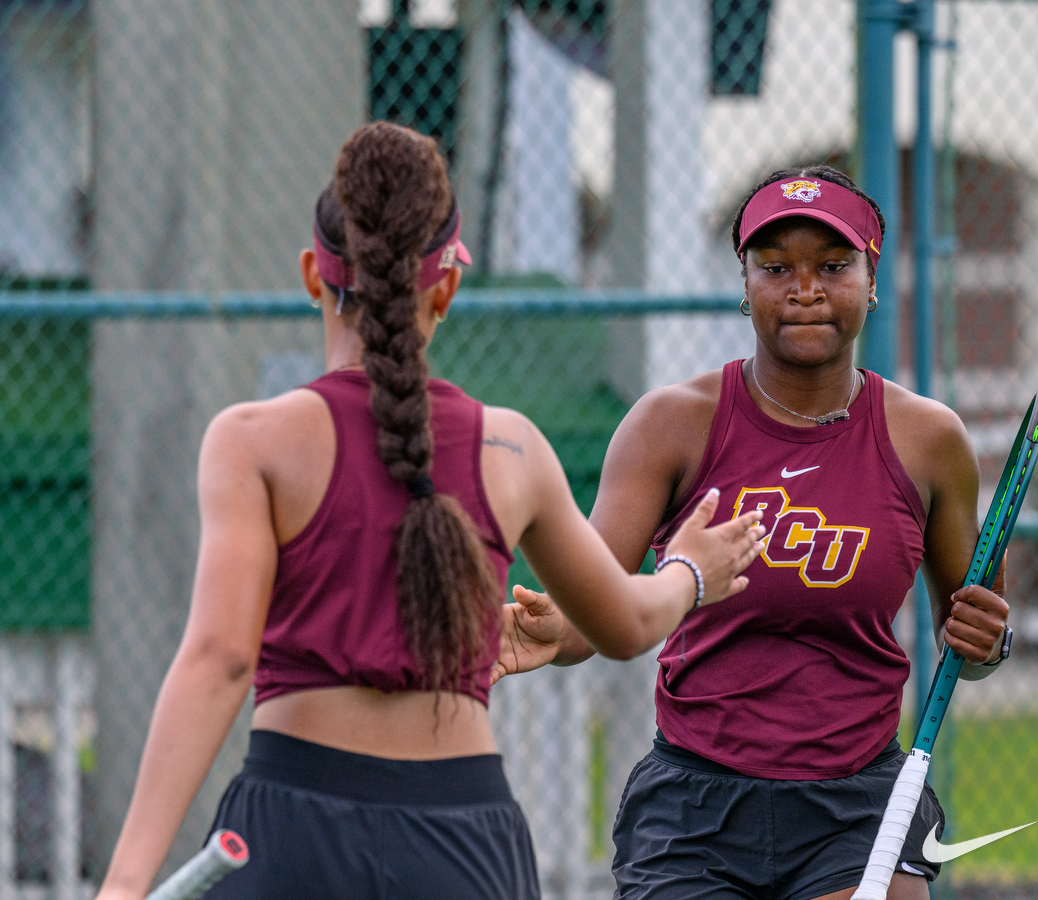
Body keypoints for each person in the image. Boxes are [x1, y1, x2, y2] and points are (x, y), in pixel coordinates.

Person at [95, 121, 766, 900]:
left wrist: (124, 884)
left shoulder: (251, 441)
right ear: (445, 288)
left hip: (290, 830)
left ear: (313, 274)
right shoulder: (511, 449)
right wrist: (689, 572)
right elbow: (623, 624)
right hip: (463, 840)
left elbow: (221, 659)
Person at [492, 166, 1012, 900]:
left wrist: (991, 643)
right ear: (745, 283)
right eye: (776, 268)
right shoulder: (670, 423)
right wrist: (557, 628)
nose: (805, 290)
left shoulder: (929, 441)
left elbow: (974, 644)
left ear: (871, 280)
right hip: (696, 808)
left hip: (855, 806)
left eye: (832, 266)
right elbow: (597, 607)